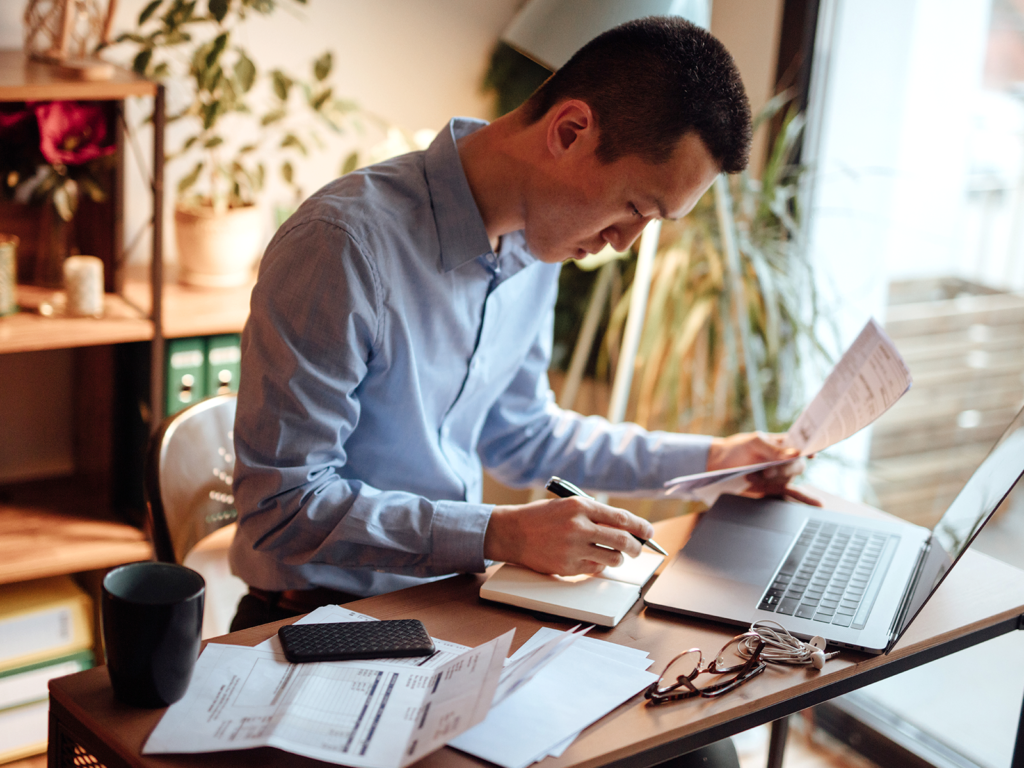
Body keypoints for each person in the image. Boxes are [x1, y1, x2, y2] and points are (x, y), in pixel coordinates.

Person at [229, 16, 811, 632]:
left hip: (448, 601)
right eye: (635, 207)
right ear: (569, 131)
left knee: (680, 694)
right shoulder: (342, 246)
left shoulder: (535, 245)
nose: (623, 243)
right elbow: (282, 507)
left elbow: (522, 435)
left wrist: (714, 460)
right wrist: (497, 532)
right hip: (313, 620)